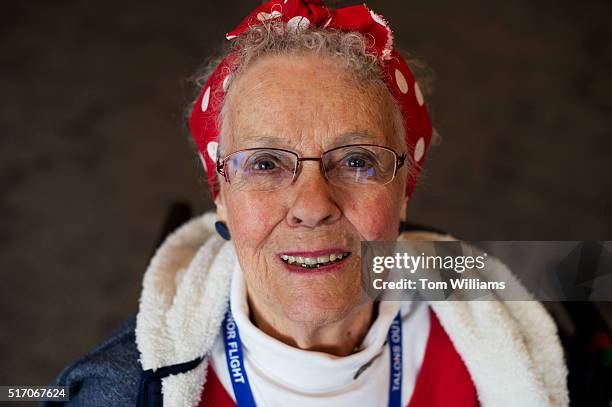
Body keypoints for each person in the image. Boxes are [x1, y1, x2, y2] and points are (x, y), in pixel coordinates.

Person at [46, 1, 569, 406]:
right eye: (266, 164)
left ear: (404, 188)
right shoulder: (115, 392)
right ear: (221, 197)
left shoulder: (517, 335)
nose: (313, 206)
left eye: (358, 160)